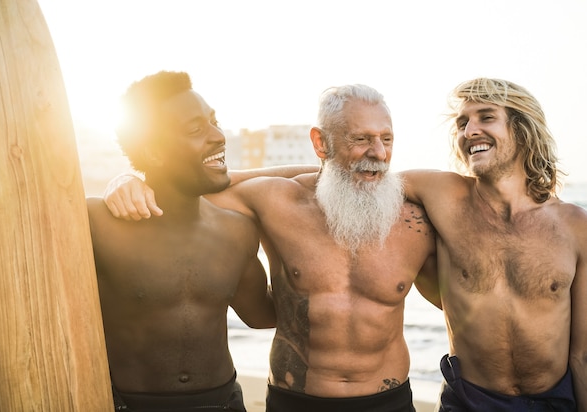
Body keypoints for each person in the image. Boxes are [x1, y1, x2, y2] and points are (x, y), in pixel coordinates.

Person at [105, 84, 438, 411]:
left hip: (388, 401)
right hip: (294, 400)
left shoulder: (415, 219)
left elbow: (461, 298)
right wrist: (133, 181)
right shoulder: (274, 202)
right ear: (320, 143)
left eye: (386, 139)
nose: (378, 153)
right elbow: (195, 187)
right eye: (361, 139)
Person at [86, 70, 277, 412]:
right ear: (155, 152)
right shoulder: (97, 224)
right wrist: (123, 178)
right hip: (130, 405)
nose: (219, 136)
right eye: (195, 129)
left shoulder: (238, 230)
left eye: (213, 121)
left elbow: (262, 315)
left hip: (224, 403)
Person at [402, 78, 586, 411]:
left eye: (486, 117)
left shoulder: (575, 226)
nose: (469, 131)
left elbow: (583, 353)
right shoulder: (441, 195)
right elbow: (359, 180)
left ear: (522, 129)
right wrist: (273, 183)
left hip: (554, 402)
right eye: (462, 123)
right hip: (468, 400)